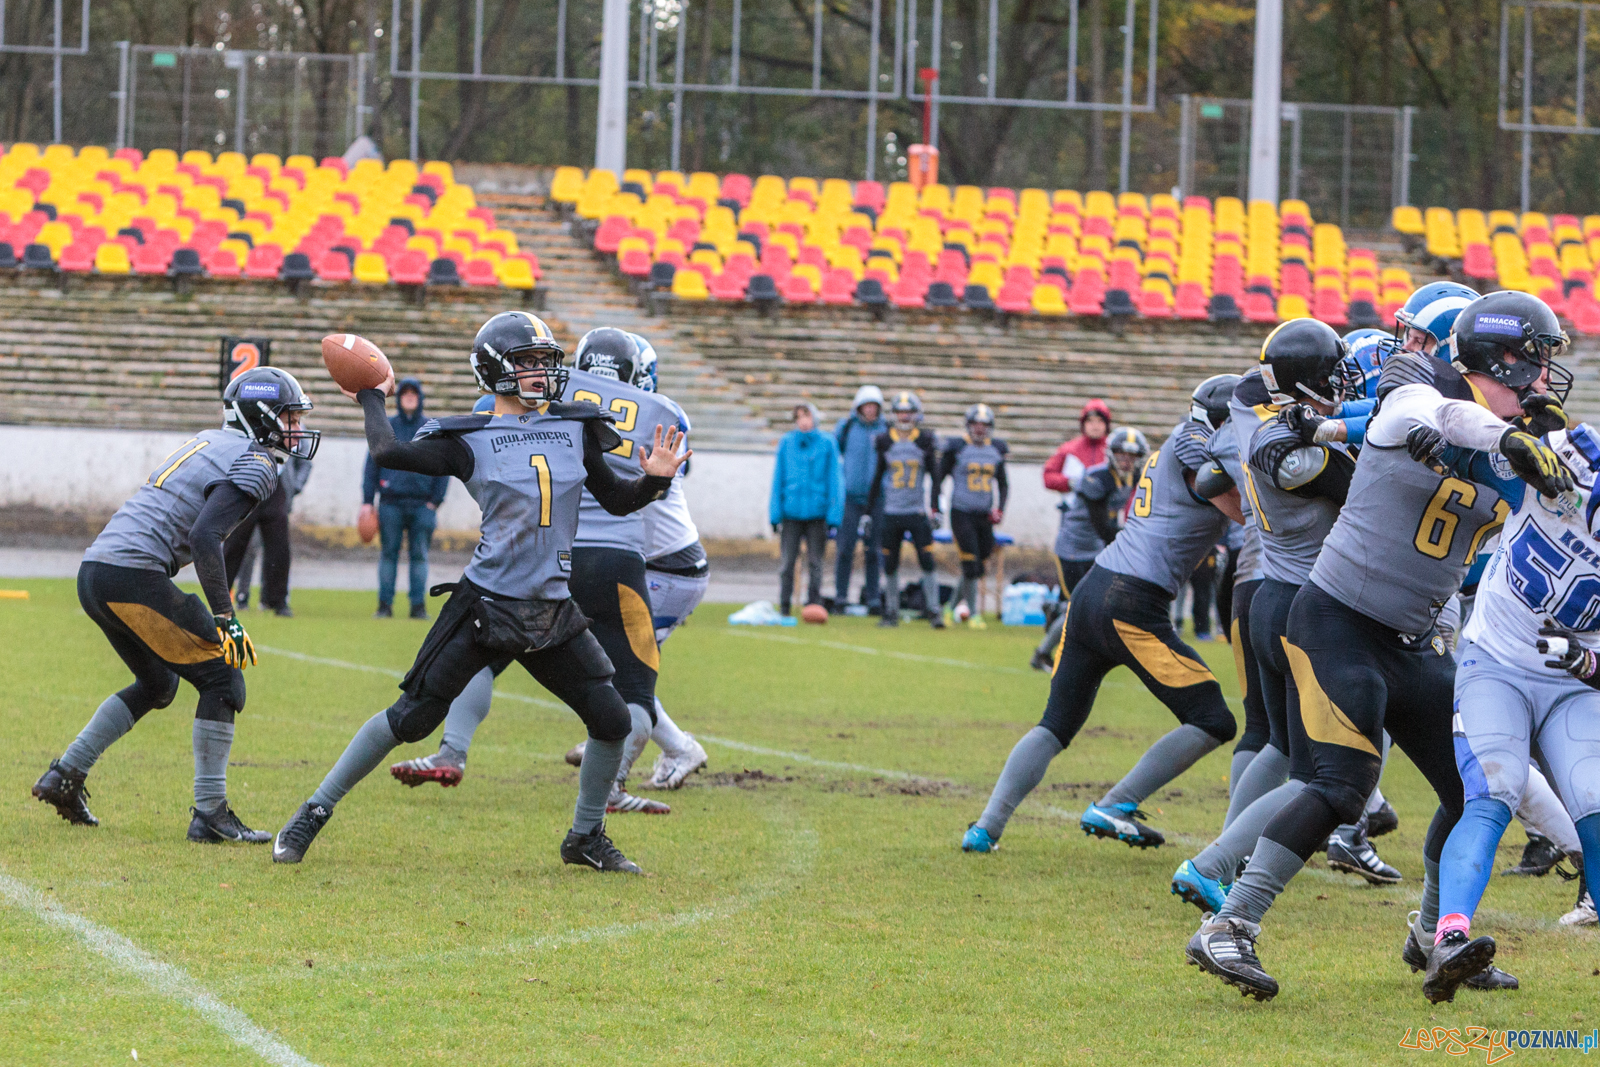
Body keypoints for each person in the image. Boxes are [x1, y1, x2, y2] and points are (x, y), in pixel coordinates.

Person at [1186, 291, 1574, 1002]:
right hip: (1336, 618)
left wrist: (1525, 443)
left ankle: (1434, 936)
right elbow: (1418, 413)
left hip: (1417, 639)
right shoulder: (1417, 394)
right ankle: (1230, 922)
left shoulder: (1516, 436)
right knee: (1343, 782)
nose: (1547, 378)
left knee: (1476, 788)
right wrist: (1495, 437)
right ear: (1502, 358)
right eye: (1539, 361)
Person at [270, 311, 687, 874]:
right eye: (529, 364)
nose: (543, 374)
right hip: (487, 605)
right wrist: (370, 395)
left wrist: (656, 480)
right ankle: (313, 812)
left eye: (546, 362)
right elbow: (390, 453)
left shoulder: (575, 426)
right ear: (494, 370)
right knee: (412, 718)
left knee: (611, 722)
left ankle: (585, 836)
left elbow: (616, 500)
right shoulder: (469, 437)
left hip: (552, 609)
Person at [391, 333, 713, 797]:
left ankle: (457, 750)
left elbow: (494, 421)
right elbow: (658, 473)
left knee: (495, 655)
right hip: (647, 561)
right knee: (623, 679)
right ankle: (621, 764)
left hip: (594, 557)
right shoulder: (660, 412)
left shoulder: (549, 399)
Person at [32, 367, 318, 844]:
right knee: (223, 678)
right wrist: (225, 618)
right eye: (289, 416)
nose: (297, 428)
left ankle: (66, 775)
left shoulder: (209, 440)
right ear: (262, 416)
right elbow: (204, 537)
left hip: (97, 572)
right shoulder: (256, 460)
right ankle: (210, 813)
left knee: (158, 683)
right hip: (132, 575)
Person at [962, 376, 1238, 854]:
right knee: (1214, 718)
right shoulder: (1197, 453)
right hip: (1133, 602)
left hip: (1095, 589)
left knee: (1055, 725)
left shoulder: (1179, 445)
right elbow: (1245, 510)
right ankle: (1118, 804)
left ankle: (985, 828)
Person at [1420, 416, 1600, 1000]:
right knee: (1493, 793)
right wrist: (1454, 446)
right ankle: (1449, 939)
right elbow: (1459, 436)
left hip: (1572, 683)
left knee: (1596, 805)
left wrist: (1590, 664)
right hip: (1495, 660)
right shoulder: (1556, 475)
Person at [1030, 426, 1150, 671]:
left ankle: (1059, 617)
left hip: (1095, 549)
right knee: (1078, 607)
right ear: (1111, 454)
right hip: (1073, 549)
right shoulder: (1097, 478)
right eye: (1122, 455)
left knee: (1092, 604)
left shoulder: (1132, 477)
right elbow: (1101, 526)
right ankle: (1041, 654)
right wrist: (1130, 542)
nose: (1127, 461)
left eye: (1132, 456)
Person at [361, 377, 449, 620]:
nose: (409, 397)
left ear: (420, 398)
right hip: (391, 503)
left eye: (414, 394)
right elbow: (371, 465)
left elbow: (444, 465)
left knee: (419, 555)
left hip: (422, 504)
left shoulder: (431, 428)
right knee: (388, 555)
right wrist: (368, 501)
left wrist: (435, 500)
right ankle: (384, 605)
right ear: (399, 398)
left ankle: (418, 607)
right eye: (405, 394)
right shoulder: (388, 427)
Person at [869, 391, 944, 628]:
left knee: (927, 560)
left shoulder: (925, 439)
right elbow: (876, 478)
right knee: (890, 563)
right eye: (900, 412)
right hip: (891, 512)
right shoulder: (884, 440)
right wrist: (867, 512)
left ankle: (934, 610)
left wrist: (935, 508)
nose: (904, 416)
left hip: (916, 512)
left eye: (908, 412)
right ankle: (891, 612)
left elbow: (936, 477)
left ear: (915, 414)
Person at [770, 401, 844, 616]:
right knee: (787, 563)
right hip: (791, 512)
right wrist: (775, 514)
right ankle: (784, 605)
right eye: (799, 417)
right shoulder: (786, 443)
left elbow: (835, 481)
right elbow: (778, 479)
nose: (803, 421)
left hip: (817, 513)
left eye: (807, 416)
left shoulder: (827, 443)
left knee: (815, 563)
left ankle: (813, 603)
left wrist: (834, 515)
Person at [938, 403, 1009, 627]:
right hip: (961, 512)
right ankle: (973, 612)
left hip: (984, 515)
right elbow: (939, 476)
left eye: (984, 425)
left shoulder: (995, 450)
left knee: (978, 565)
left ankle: (950, 607)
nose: (979, 429)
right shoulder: (957, 448)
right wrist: (935, 504)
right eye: (975, 425)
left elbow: (1004, 484)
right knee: (970, 563)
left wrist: (1000, 508)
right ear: (968, 426)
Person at [227, 452, 312, 616]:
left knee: (279, 546)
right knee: (235, 545)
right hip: (250, 485)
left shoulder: (291, 429)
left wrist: (295, 485)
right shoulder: (251, 427)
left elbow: (305, 460)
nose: (297, 430)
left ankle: (277, 600)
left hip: (276, 486)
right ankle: (220, 595)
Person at [1044, 398, 1113, 594]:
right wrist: (1072, 483)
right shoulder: (1069, 450)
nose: (1095, 426)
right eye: (1090, 421)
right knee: (1071, 581)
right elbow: (1048, 476)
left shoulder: (1111, 452)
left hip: (1102, 521)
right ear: (1083, 424)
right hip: (1073, 518)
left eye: (1100, 422)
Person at [834, 385, 888, 613]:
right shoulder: (847, 428)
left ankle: (873, 598)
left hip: (877, 500)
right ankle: (841, 596)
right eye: (866, 406)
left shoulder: (886, 430)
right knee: (845, 548)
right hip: (850, 499)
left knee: (874, 551)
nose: (869, 410)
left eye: (873, 406)